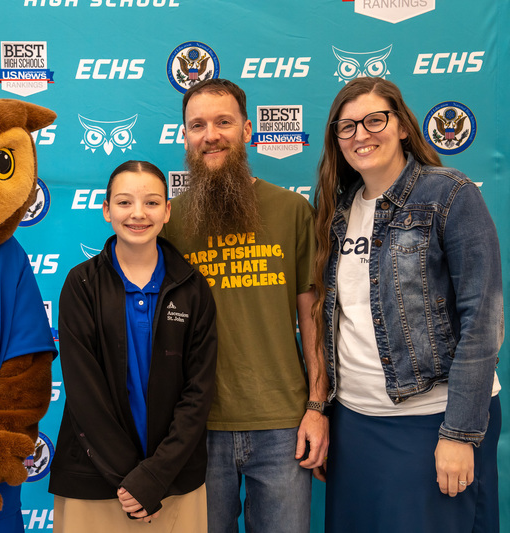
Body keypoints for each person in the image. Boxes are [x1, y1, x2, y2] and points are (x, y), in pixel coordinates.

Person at [313, 77, 503, 532]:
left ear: (401, 126)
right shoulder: (337, 211)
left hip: (431, 420)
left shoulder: (450, 194)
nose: (361, 134)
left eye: (374, 120)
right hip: (356, 424)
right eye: (347, 127)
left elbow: (483, 320)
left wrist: (458, 434)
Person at [160, 78, 328, 533]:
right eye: (197, 125)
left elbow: (312, 317)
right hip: (197, 428)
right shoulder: (168, 225)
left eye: (223, 122)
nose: (210, 134)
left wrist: (317, 407)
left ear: (249, 130)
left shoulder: (291, 210)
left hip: (283, 425)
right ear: (185, 137)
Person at [49, 160, 218, 533]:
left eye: (152, 202)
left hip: (172, 481)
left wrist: (154, 477)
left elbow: (199, 392)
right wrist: (134, 482)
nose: (138, 214)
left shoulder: (193, 288)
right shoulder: (81, 285)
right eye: (124, 203)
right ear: (107, 210)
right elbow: (84, 393)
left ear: (168, 211)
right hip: (94, 479)